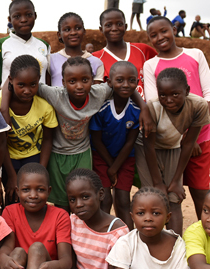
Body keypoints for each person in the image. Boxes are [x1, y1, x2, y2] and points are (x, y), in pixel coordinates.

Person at [38, 56, 149, 212]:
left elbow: (125, 87)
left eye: (85, 80)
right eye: (72, 81)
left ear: (93, 79)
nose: (79, 86)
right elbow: (29, 84)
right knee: (62, 204)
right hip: (57, 154)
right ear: (63, 82)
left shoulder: (98, 93)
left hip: (83, 152)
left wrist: (143, 108)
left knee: (82, 198)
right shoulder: (55, 95)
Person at [144, 16, 210, 219]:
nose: (160, 37)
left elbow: (209, 95)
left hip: (198, 137)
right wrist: (181, 137)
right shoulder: (151, 65)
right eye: (154, 35)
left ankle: (206, 238)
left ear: (174, 29)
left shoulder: (195, 54)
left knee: (200, 192)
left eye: (164, 31)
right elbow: (154, 103)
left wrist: (190, 135)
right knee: (171, 195)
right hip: (168, 142)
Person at [138, 68, 209, 234]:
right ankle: (150, 246)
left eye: (175, 95)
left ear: (187, 91)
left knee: (174, 199)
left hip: (173, 148)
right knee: (152, 198)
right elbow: (148, 146)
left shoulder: (198, 105)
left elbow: (189, 143)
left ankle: (175, 245)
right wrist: (158, 182)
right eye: (163, 95)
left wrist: (177, 180)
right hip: (148, 151)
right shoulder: (153, 107)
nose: (169, 100)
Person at [0, 56, 57, 203]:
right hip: (7, 156)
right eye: (21, 85)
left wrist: (41, 170)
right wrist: (12, 176)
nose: (27, 91)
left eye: (33, 85)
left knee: (33, 198)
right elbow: (0, 144)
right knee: (12, 196)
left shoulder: (45, 106)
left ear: (39, 80)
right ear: (11, 80)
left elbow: (47, 139)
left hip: (33, 155)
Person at [90, 61, 140, 227]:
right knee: (105, 199)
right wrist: (111, 167)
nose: (126, 85)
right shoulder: (102, 108)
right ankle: (104, 236)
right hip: (101, 157)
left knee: (123, 200)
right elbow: (96, 140)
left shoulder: (136, 110)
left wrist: (115, 167)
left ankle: (127, 240)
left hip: (125, 160)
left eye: (131, 80)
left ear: (138, 82)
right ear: (109, 82)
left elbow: (130, 142)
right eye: (120, 80)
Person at [92, 8, 157, 99]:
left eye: (119, 24)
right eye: (108, 25)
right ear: (101, 29)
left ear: (125, 27)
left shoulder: (143, 50)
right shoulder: (95, 58)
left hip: (146, 110)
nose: (114, 28)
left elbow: (162, 67)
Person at [0, 0, 50, 86]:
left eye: (28, 14)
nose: (23, 20)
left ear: (35, 15)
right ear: (9, 19)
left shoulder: (44, 45)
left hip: (40, 98)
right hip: (9, 99)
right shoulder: (0, 44)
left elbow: (47, 77)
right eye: (17, 16)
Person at [48, 12, 104, 84]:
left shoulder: (96, 62)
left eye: (78, 28)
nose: (73, 33)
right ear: (59, 34)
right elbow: (47, 90)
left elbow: (96, 93)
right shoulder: (51, 60)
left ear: (84, 31)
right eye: (67, 29)